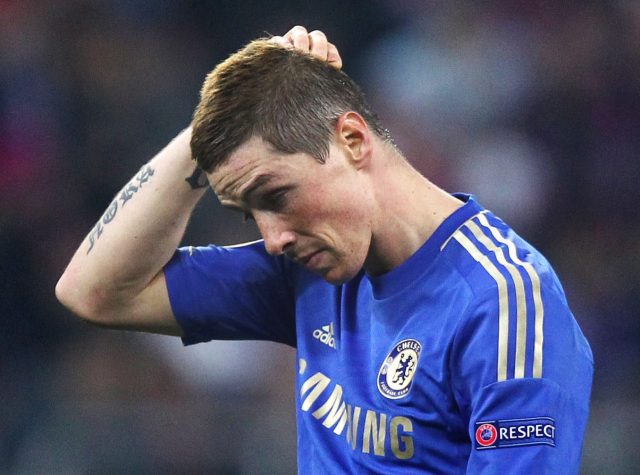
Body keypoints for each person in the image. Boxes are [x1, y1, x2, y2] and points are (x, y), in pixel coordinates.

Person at [56, 26, 593, 474]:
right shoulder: (306, 271)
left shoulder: (502, 303)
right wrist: (215, 124)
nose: (272, 238)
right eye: (250, 213)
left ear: (352, 140)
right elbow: (95, 292)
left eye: (276, 196)